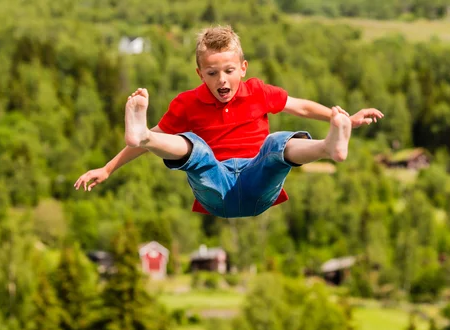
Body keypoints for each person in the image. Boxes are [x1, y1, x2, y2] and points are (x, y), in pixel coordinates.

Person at [74, 25, 383, 218]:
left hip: (258, 184)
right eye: (212, 73)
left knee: (276, 144)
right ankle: (142, 135)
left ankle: (330, 145)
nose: (222, 80)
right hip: (217, 190)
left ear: (243, 68)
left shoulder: (258, 92)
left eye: (229, 71)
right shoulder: (187, 103)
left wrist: (344, 119)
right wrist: (108, 168)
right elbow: (160, 138)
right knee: (195, 149)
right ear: (200, 74)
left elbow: (299, 107)